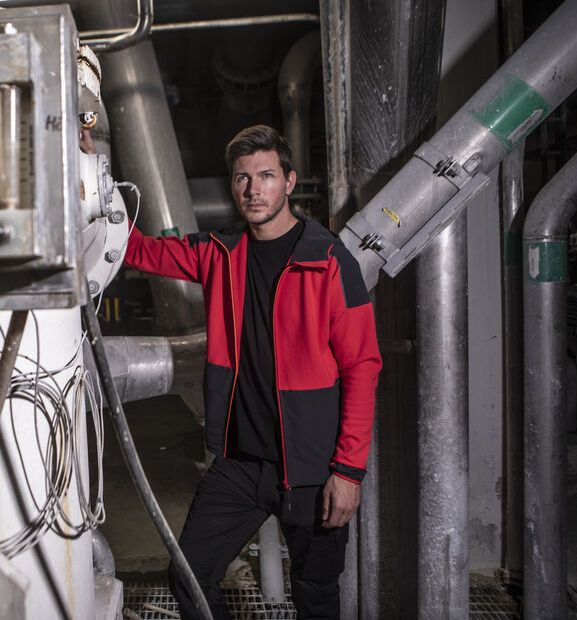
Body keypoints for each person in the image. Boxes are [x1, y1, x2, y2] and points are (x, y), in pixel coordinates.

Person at [117, 124, 382, 619]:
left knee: (315, 594)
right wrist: (91, 178)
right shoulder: (220, 252)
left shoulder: (328, 261)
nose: (253, 189)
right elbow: (136, 250)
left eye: (266, 176)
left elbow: (362, 366)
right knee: (189, 575)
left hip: (311, 468)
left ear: (289, 181)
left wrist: (348, 472)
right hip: (240, 465)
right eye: (242, 178)